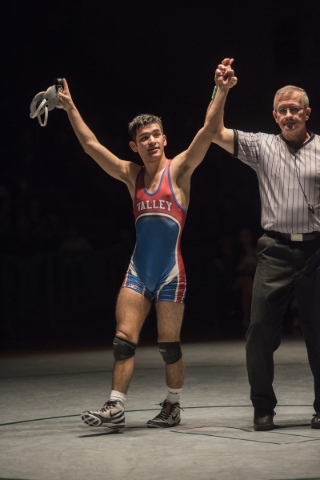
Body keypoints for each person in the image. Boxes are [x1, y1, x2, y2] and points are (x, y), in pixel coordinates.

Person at [57, 65, 236, 431]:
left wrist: (220, 91)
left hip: (171, 274)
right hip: (138, 270)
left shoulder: (181, 169)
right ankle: (116, 406)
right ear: (134, 145)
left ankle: (172, 406)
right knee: (124, 340)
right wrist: (69, 106)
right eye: (144, 137)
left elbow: (207, 131)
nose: (152, 141)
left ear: (165, 139)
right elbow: (92, 147)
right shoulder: (130, 174)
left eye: (156, 135)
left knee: (169, 346)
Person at [210, 58, 320, 431]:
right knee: (258, 332)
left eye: (295, 109)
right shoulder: (260, 147)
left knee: (318, 332)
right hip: (274, 250)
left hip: (316, 252)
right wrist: (221, 90)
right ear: (274, 116)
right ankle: (263, 407)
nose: (289, 115)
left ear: (307, 113)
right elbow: (212, 131)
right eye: (282, 110)